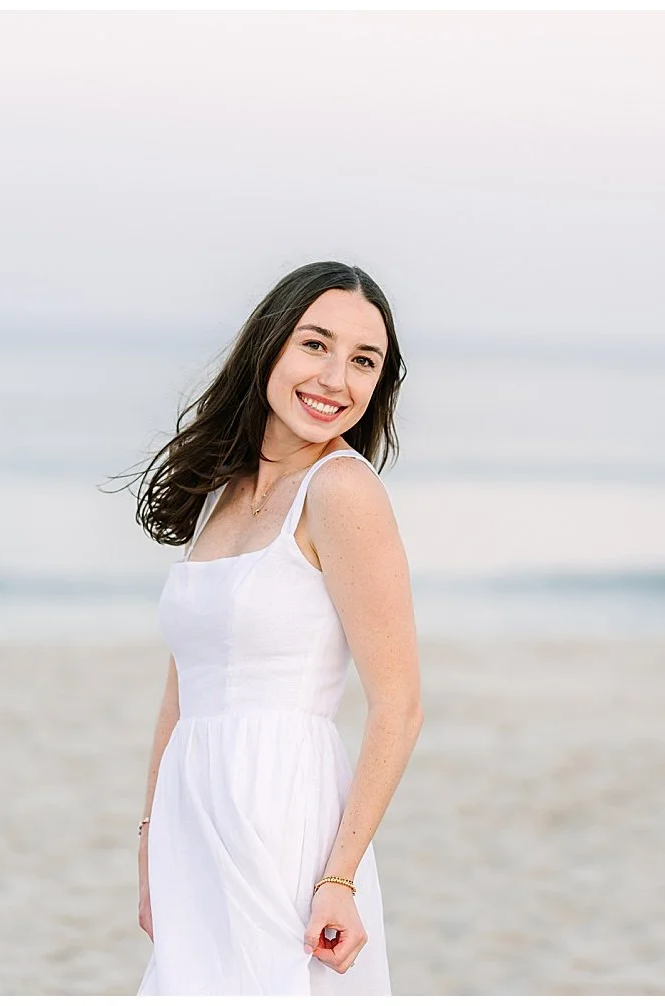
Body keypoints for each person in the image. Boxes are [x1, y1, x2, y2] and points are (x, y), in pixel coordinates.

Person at [127, 261, 423, 994]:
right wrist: (150, 839)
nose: (335, 379)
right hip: (193, 820)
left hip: (284, 814)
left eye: (364, 361)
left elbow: (399, 705)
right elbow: (182, 685)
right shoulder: (218, 492)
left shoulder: (343, 490)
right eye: (315, 345)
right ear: (269, 345)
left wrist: (340, 879)